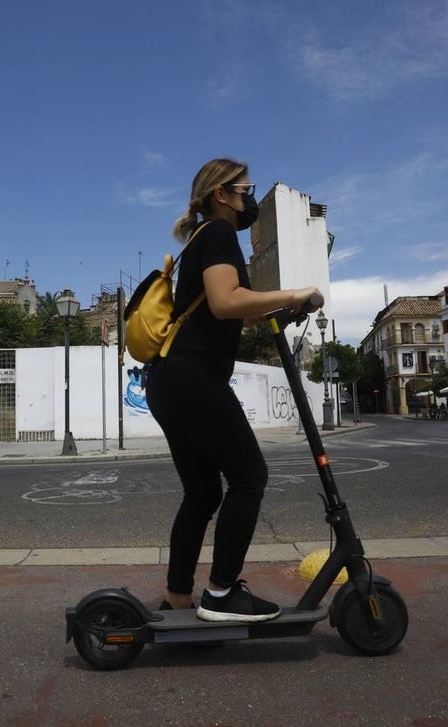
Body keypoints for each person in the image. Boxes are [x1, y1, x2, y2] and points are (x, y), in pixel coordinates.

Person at [145, 158, 324, 622]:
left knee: (203, 494)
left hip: (170, 379)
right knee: (249, 477)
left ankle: (179, 596)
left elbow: (232, 310)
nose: (250, 199)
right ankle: (222, 594)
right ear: (222, 195)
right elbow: (226, 302)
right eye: (246, 190)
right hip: (192, 377)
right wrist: (291, 294)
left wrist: (277, 312)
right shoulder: (220, 233)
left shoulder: (203, 240)